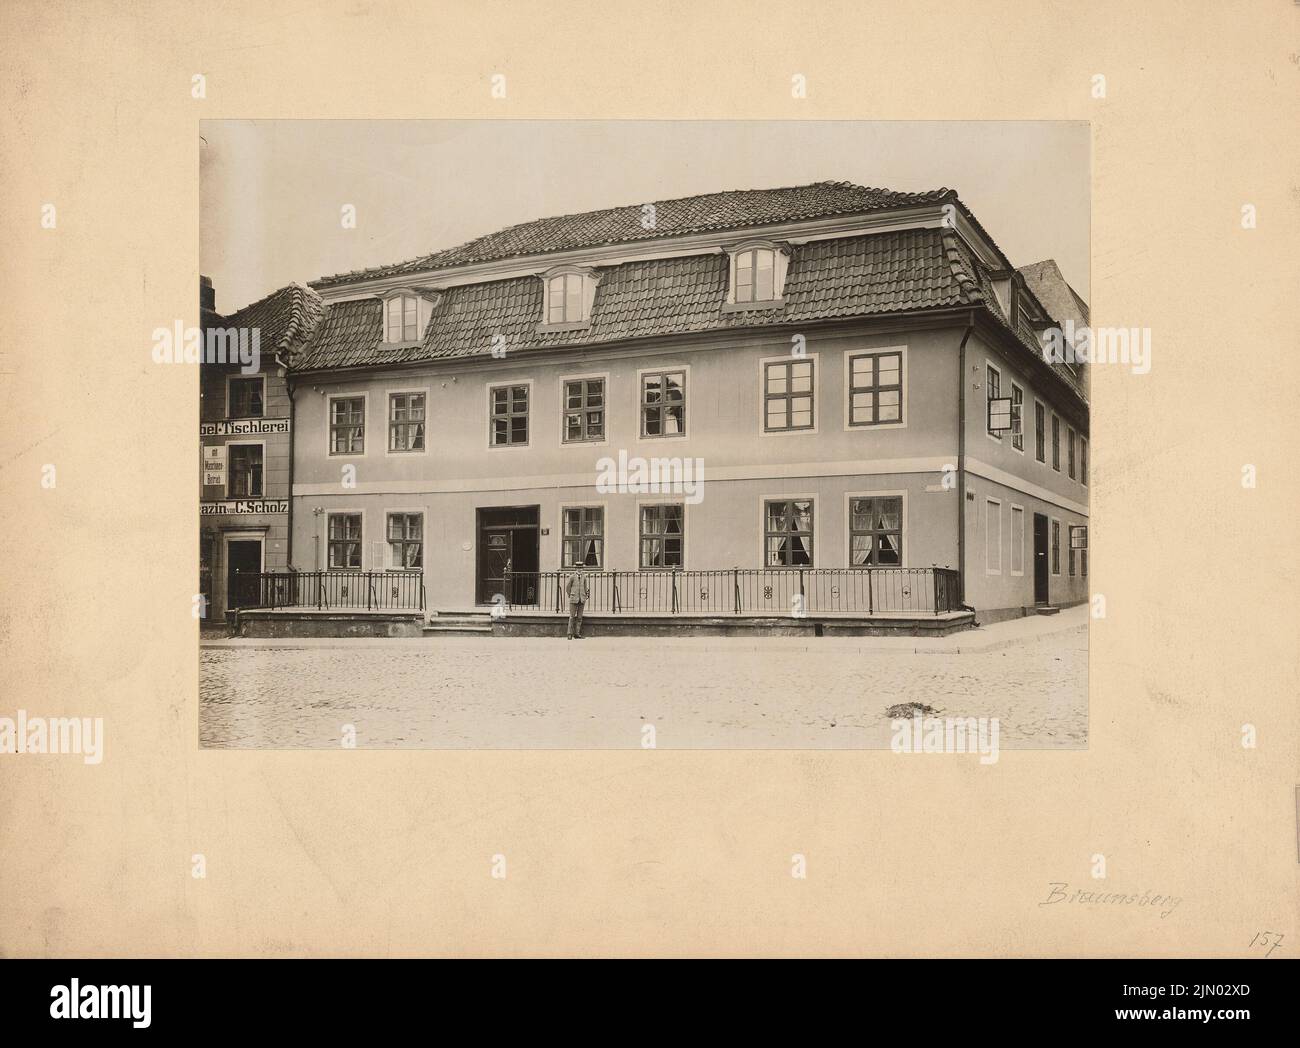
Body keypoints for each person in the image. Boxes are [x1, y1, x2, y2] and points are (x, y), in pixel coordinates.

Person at [564, 564, 590, 640]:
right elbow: (568, 587)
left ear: (582, 569)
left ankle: (577, 633)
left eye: (581, 568)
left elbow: (585, 587)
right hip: (573, 598)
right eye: (578, 568)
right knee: (572, 617)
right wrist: (570, 595)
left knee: (579, 617)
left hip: (582, 599)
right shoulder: (572, 577)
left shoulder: (584, 577)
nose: (579, 569)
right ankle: (569, 634)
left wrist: (585, 595)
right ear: (575, 569)